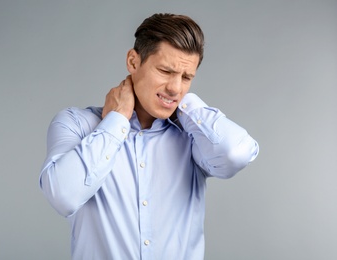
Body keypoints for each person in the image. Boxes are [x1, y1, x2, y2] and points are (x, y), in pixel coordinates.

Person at [40, 13, 259, 259]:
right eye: (165, 71)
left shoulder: (194, 137)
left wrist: (188, 108)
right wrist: (116, 122)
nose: (175, 88)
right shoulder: (76, 124)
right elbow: (63, 196)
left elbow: (236, 154)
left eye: (186, 78)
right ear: (133, 62)